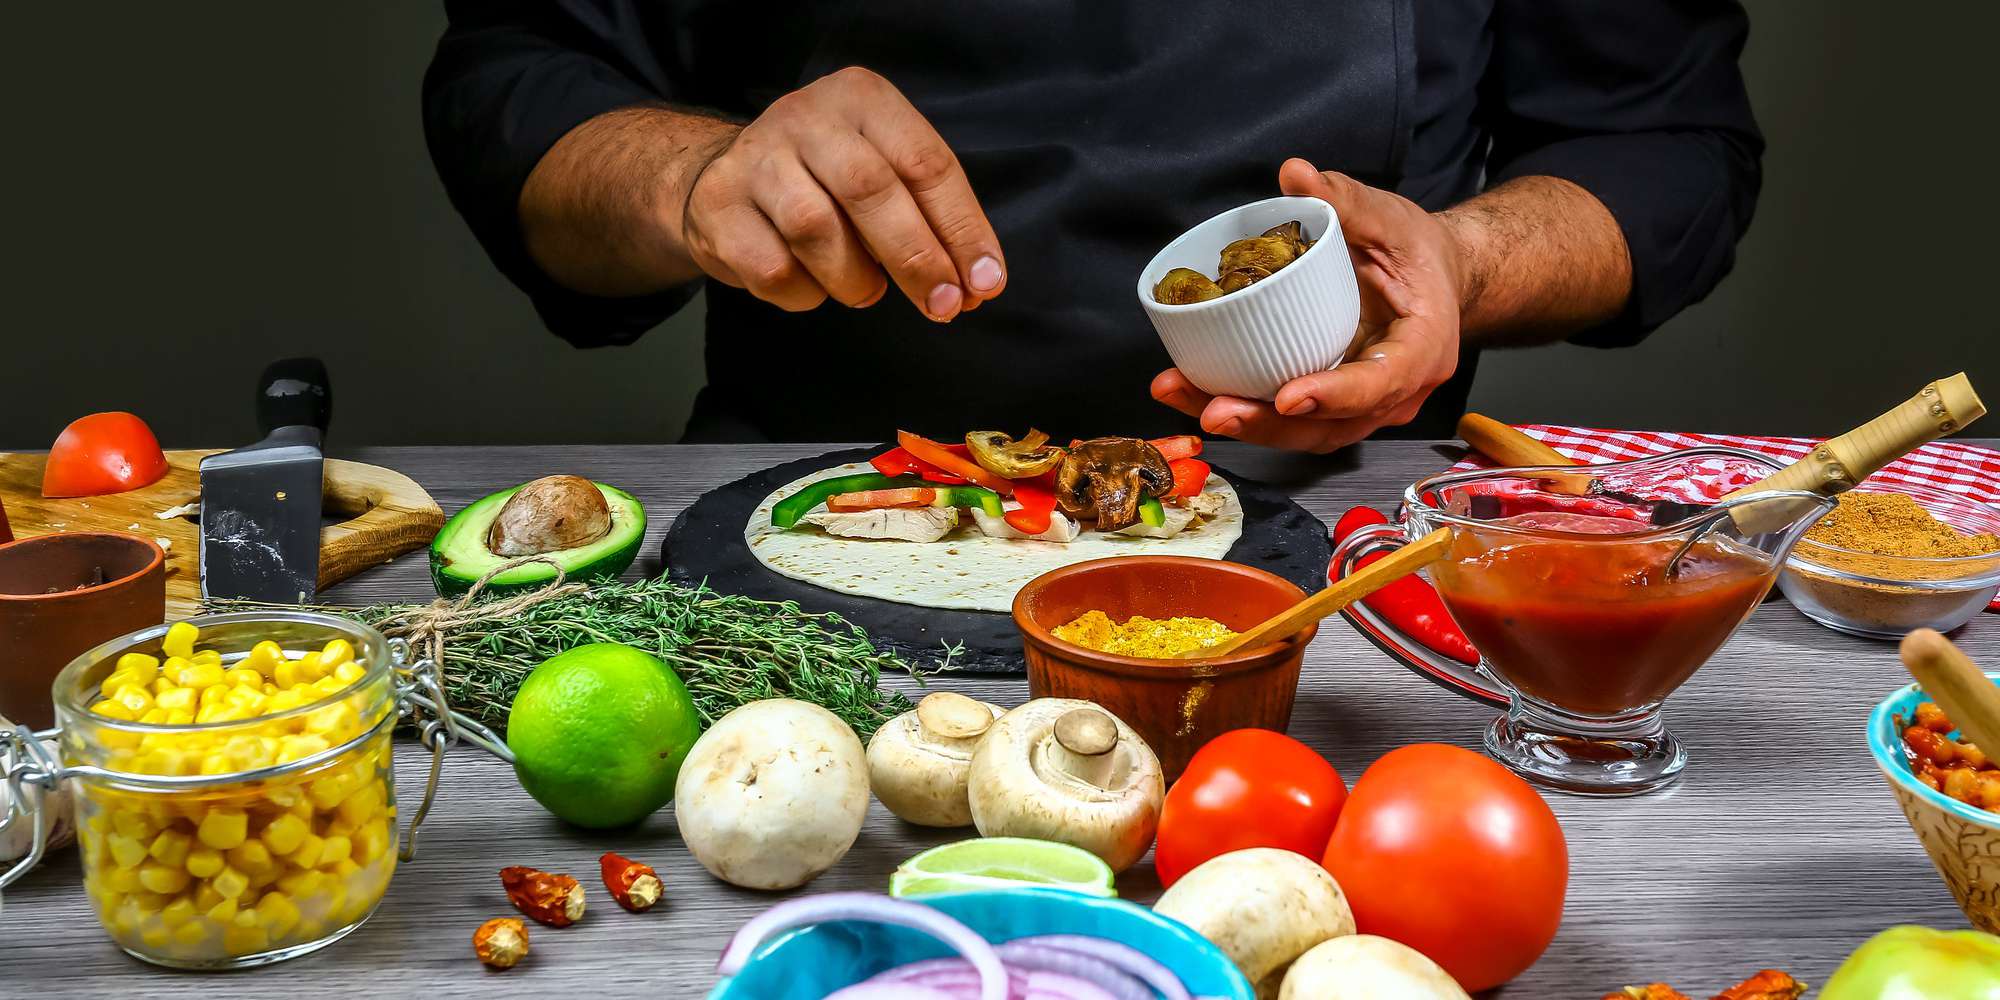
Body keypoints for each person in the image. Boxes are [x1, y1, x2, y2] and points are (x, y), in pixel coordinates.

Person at [424, 2, 1759, 452]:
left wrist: (1461, 263)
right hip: (819, 503)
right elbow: (522, 70)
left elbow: (1659, 139)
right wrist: (693, 176)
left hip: (1346, 554)